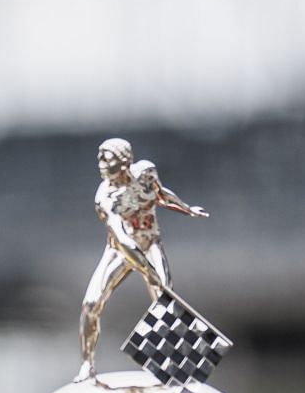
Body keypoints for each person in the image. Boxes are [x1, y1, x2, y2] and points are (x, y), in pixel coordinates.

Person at [78, 137, 210, 376]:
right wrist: (148, 271)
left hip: (150, 243)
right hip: (120, 251)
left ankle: (174, 364)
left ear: (123, 161)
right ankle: (87, 364)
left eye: (105, 157)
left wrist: (187, 208)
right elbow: (122, 239)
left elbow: (160, 195)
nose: (100, 163)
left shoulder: (146, 173)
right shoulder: (106, 199)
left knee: (165, 299)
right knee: (90, 304)